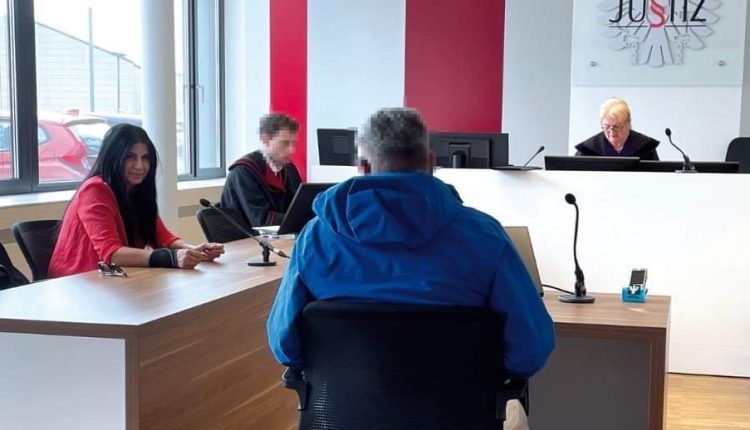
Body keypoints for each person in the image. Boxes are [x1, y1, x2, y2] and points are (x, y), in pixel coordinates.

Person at [267, 107, 555, 380]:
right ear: (430, 163)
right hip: (456, 408)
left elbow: (284, 345)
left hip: (341, 408)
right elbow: (530, 351)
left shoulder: (315, 238)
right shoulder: (484, 236)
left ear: (363, 166)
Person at [48, 124, 224, 278]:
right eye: (130, 157)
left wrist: (193, 250)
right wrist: (171, 258)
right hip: (77, 282)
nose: (139, 165)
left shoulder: (136, 191)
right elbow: (112, 253)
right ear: (114, 157)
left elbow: (163, 237)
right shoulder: (95, 189)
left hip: (114, 278)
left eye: (145, 158)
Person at [220, 113, 303, 227]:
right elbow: (261, 220)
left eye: (293, 143)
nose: (292, 150)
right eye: (285, 143)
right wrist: (303, 220)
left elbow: (298, 209)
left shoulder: (289, 169)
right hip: (246, 236)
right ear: (266, 140)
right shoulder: (244, 171)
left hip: (283, 234)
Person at [575, 97, 660, 160]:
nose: (612, 131)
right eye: (607, 126)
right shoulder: (588, 150)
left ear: (628, 123)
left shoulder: (645, 147)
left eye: (617, 126)